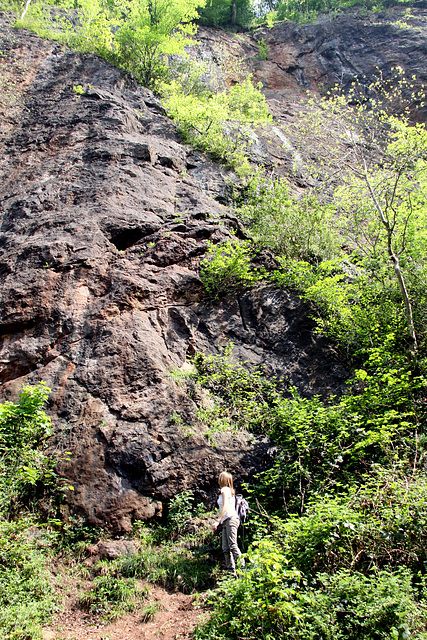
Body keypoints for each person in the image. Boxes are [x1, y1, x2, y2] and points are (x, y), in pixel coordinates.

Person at [212, 471, 244, 576]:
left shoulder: (225, 490)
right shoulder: (227, 491)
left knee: (232, 545)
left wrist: (217, 522)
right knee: (225, 548)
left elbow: (225, 506)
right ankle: (232, 573)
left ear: (222, 480)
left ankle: (243, 569)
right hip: (226, 521)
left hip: (231, 519)